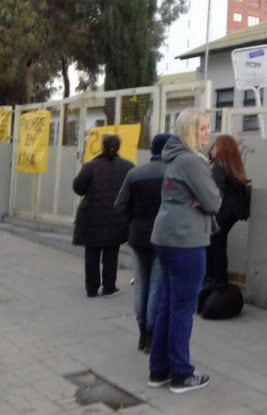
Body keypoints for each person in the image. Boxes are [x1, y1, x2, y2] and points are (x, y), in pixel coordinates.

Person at [148, 108, 221, 394]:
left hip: (166, 237)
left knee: (167, 304)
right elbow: (214, 201)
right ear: (190, 130)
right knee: (182, 308)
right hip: (186, 240)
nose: (207, 133)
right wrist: (204, 201)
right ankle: (181, 373)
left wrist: (200, 200)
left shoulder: (174, 156)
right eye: (202, 128)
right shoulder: (191, 161)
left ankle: (159, 369)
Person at [114, 133, 172, 354]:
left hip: (137, 235)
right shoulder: (173, 173)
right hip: (163, 235)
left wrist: (133, 221)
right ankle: (150, 334)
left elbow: (120, 205)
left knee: (141, 284)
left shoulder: (134, 173)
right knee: (157, 285)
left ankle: (141, 331)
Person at [72, 134, 134, 298]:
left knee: (91, 253)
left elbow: (78, 188)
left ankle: (91, 289)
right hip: (116, 216)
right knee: (111, 251)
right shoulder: (127, 167)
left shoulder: (91, 166)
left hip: (91, 216)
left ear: (102, 147)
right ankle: (109, 287)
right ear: (118, 147)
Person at [206, 134, 250, 285]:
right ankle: (220, 283)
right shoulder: (234, 166)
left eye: (215, 146)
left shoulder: (218, 166)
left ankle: (216, 282)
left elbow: (216, 191)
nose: (212, 149)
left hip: (221, 212)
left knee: (214, 247)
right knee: (219, 245)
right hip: (232, 213)